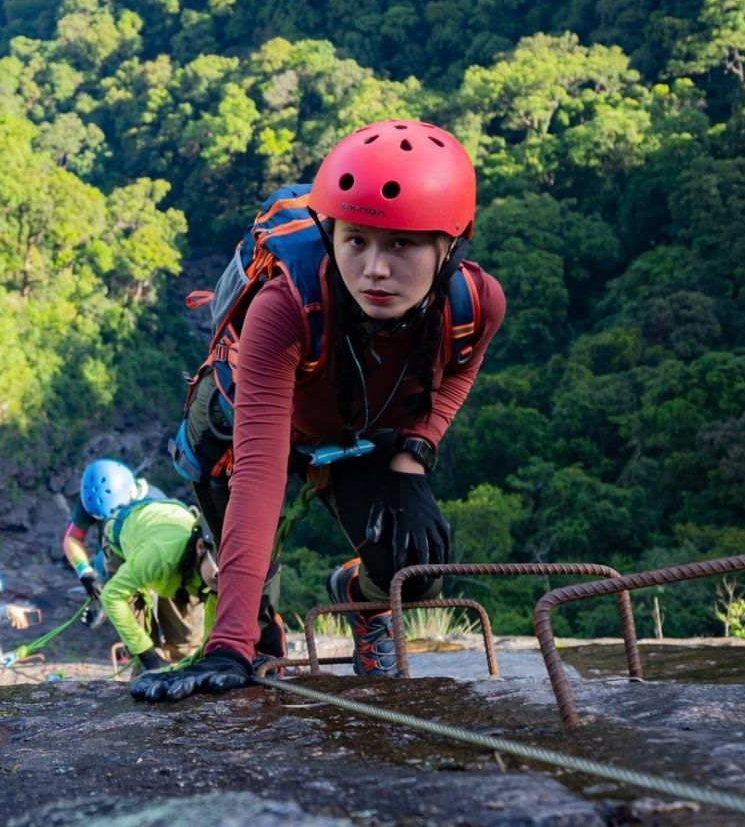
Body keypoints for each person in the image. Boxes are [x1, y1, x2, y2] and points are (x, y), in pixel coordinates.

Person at [135, 120, 506, 701]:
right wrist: (230, 644)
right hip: (242, 434)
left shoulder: (475, 303)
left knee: (417, 567)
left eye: (402, 245)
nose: (375, 269)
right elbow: (259, 473)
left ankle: (358, 597)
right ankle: (254, 645)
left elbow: (458, 372)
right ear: (330, 234)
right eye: (356, 240)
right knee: (252, 625)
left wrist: (415, 454)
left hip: (351, 426)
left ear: (449, 248)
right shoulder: (284, 309)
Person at [99, 498, 216, 671]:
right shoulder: (159, 556)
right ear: (200, 548)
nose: (222, 583)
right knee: (142, 644)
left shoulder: (215, 568)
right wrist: (147, 654)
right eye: (218, 575)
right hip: (130, 532)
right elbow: (112, 596)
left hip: (182, 559)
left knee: (188, 644)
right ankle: (143, 675)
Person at [62, 459, 161, 618]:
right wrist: (85, 572)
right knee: (102, 561)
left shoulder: (155, 505)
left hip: (152, 564)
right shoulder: (93, 497)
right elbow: (72, 538)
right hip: (111, 562)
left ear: (130, 496)